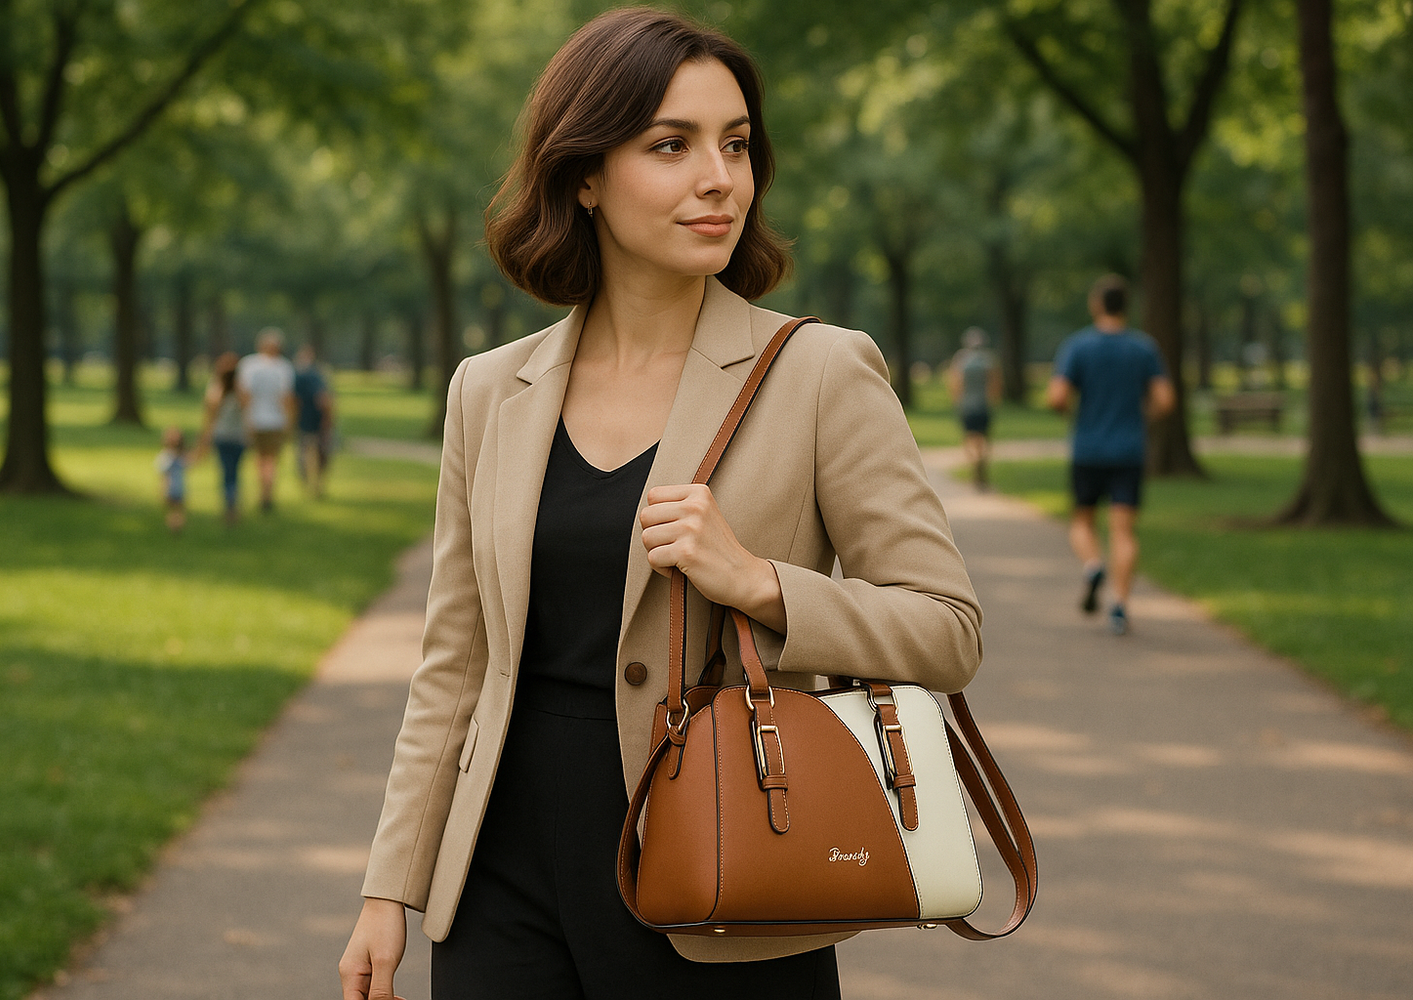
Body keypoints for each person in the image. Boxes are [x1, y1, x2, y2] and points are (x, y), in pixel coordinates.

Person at [338, 10, 983, 1000]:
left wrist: (761, 584)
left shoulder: (820, 372)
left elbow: (947, 629)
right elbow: (455, 663)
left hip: (725, 868)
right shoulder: (490, 390)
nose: (719, 177)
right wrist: (391, 886)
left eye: (737, 144)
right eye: (671, 145)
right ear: (584, 177)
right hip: (502, 879)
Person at [1046, 274, 1175, 635]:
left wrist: (1072, 414)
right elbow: (1165, 400)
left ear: (1096, 304)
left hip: (1088, 449)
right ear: (1126, 306)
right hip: (1129, 451)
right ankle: (1120, 606)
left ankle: (1092, 566)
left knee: (1082, 521)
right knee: (1123, 531)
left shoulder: (1078, 346)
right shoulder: (1143, 348)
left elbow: (1057, 397)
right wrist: (1143, 417)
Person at [237, 327, 297, 512]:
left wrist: (246, 418)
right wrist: (290, 422)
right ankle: (267, 494)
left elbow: (244, 395)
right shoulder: (284, 367)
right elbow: (286, 398)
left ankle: (263, 492)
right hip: (276, 421)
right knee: (272, 460)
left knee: (259, 459)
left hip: (255, 419)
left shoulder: (249, 365)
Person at [195, 351, 248, 525]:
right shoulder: (237, 390)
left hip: (227, 437)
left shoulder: (219, 390)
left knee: (228, 472)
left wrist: (204, 438)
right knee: (233, 473)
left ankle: (230, 504)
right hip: (234, 438)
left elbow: (210, 415)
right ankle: (232, 504)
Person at [946, 326, 1002, 490]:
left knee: (969, 438)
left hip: (967, 406)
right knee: (984, 439)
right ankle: (981, 466)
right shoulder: (988, 360)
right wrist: (993, 402)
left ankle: (974, 465)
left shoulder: (961, 360)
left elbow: (955, 383)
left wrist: (957, 402)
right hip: (983, 405)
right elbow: (995, 384)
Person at [293, 344, 334, 498]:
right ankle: (317, 483)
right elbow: (325, 399)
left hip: (304, 421)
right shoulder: (317, 375)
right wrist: (328, 419)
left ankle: (309, 483)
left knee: (304, 453)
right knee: (321, 453)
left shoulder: (297, 375)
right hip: (316, 420)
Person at [155, 426, 189, 534]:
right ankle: (173, 526)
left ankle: (177, 526)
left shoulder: (181, 456)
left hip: (180, 487)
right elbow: (163, 474)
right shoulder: (165, 456)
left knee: (179, 509)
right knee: (172, 509)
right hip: (170, 488)